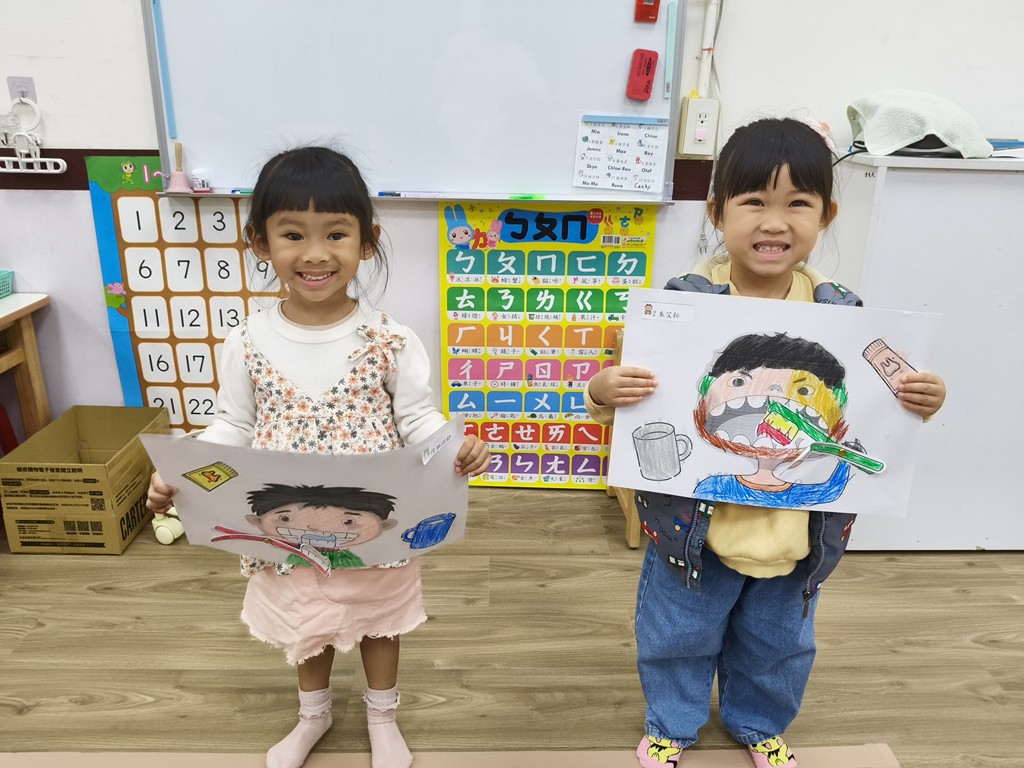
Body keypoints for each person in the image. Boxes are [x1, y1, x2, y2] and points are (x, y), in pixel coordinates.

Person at [585, 117, 946, 768]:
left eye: (797, 203)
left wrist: (920, 400)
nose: (774, 222)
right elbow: (633, 403)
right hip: (694, 534)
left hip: (798, 538)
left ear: (827, 215)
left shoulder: (846, 316)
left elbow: (877, 415)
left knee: (779, 645)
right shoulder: (682, 305)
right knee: (676, 637)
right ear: (716, 212)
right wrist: (603, 390)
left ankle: (758, 725)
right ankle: (673, 723)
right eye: (753, 200)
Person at [146, 146, 491, 768]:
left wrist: (453, 447)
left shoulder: (390, 338)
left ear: (367, 241)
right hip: (287, 526)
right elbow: (232, 424)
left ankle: (382, 717)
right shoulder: (246, 338)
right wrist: (179, 472)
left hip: (373, 523)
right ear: (260, 242)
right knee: (306, 621)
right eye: (292, 234)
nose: (315, 253)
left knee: (380, 618)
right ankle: (314, 716)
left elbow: (417, 418)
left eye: (336, 233)